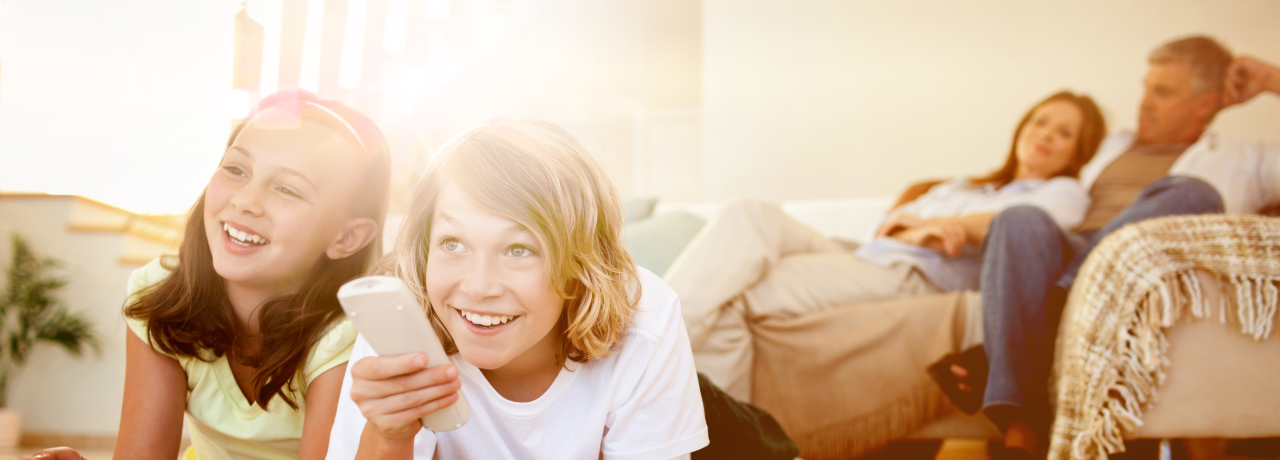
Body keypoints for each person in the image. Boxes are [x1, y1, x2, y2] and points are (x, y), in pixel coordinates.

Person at [939, 35, 1280, 458]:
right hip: (1070, 253)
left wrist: (1270, 79)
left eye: (1163, 91)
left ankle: (1051, 315)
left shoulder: (1246, 159)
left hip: (1142, 270)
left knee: (1192, 193)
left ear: (1206, 103)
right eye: (1146, 86)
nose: (1145, 101)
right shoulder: (1110, 144)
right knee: (1019, 219)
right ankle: (1020, 430)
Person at [664, 91, 1108, 400]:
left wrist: (934, 226)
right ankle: (666, 355)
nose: (1045, 134)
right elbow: (889, 227)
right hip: (864, 255)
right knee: (750, 213)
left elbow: (1026, 230)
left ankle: (654, 360)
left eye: (1064, 132)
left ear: (1079, 152)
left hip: (911, 277)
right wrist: (920, 231)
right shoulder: (963, 185)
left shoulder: (1064, 192)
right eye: (1040, 120)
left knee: (735, 298)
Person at [25, 90, 391, 460]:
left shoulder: (345, 336)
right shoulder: (163, 296)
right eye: (236, 169)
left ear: (347, 238)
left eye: (286, 189)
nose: (245, 200)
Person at [325, 119, 710, 459]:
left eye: (519, 249)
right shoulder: (401, 324)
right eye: (453, 243)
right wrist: (388, 436)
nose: (478, 287)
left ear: (580, 265)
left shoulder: (646, 317)